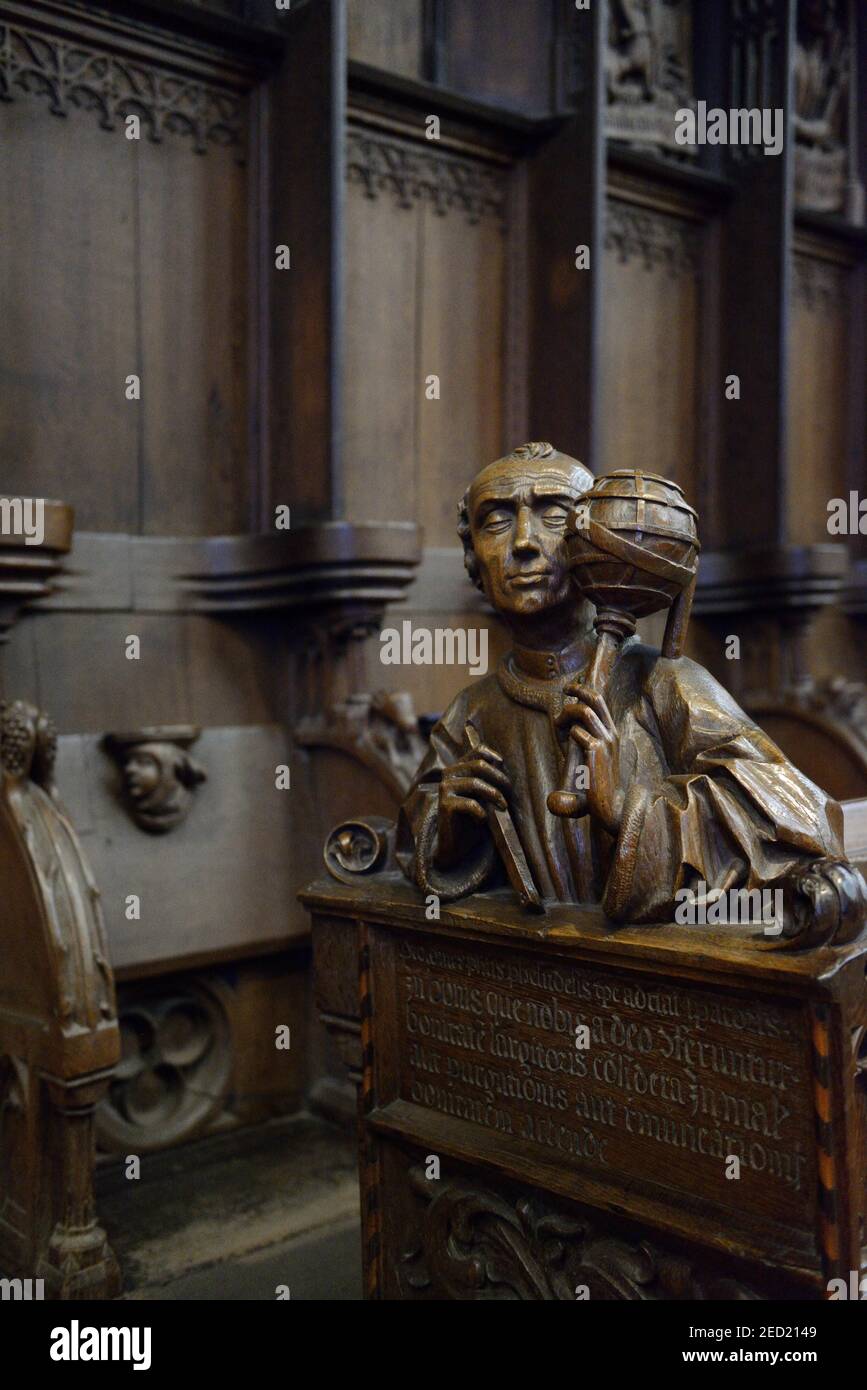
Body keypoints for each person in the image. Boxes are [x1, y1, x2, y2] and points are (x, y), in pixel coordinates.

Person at [397, 442, 851, 928]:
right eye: (497, 520)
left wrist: (628, 810)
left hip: (651, 983)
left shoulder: (663, 683)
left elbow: (807, 821)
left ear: (595, 541)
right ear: (473, 559)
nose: (524, 541)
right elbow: (415, 848)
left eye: (553, 516)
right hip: (527, 982)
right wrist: (451, 832)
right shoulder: (472, 711)